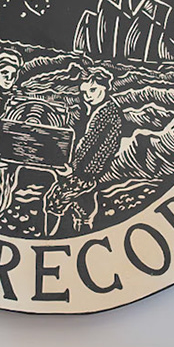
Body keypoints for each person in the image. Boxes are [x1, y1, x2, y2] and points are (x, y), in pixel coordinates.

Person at [43, 66, 124, 236]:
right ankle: (84, 228)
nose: (88, 96)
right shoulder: (105, 111)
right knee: (83, 207)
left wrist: (74, 170)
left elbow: (93, 147)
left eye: (93, 90)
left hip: (86, 172)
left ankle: (48, 237)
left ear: (105, 88)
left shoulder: (106, 114)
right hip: (90, 172)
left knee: (54, 201)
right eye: (85, 92)